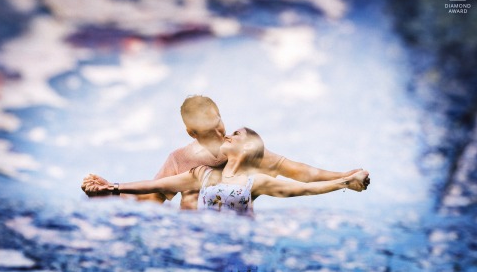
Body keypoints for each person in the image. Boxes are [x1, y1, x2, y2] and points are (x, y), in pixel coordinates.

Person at [128, 95, 368, 209]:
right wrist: (110, 192)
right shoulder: (180, 160)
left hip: (236, 240)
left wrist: (345, 176)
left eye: (219, 124)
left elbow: (302, 174)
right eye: (209, 132)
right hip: (194, 242)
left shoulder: (247, 150)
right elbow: (152, 198)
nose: (220, 134)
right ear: (192, 133)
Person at [82, 128, 370, 215]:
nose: (228, 134)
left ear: (246, 150)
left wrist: (345, 180)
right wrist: (112, 188)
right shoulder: (201, 175)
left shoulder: (256, 182)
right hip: (204, 251)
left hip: (239, 258)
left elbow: (306, 185)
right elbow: (152, 186)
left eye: (237, 134)